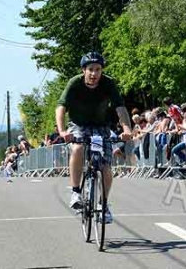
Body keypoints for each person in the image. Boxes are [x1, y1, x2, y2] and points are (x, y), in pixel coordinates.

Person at [55, 51, 132, 224]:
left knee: (105, 167)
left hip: (101, 127)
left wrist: (127, 128)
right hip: (78, 125)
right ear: (84, 70)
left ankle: (104, 205)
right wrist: (62, 131)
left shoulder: (108, 83)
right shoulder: (74, 83)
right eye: (90, 69)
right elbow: (60, 107)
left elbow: (120, 108)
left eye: (98, 70)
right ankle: (76, 192)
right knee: (78, 148)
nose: (94, 74)